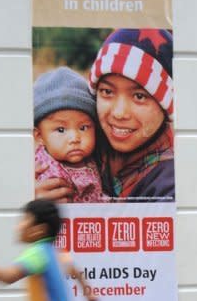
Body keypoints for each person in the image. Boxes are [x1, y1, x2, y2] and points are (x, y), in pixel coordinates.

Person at [36, 28, 175, 203]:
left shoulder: (169, 182)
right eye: (107, 91)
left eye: (139, 96)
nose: (119, 113)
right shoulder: (85, 138)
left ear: (165, 104)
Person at [34, 67, 106, 203]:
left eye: (83, 127)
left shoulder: (97, 157)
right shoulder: (40, 168)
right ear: (39, 136)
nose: (75, 139)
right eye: (61, 130)